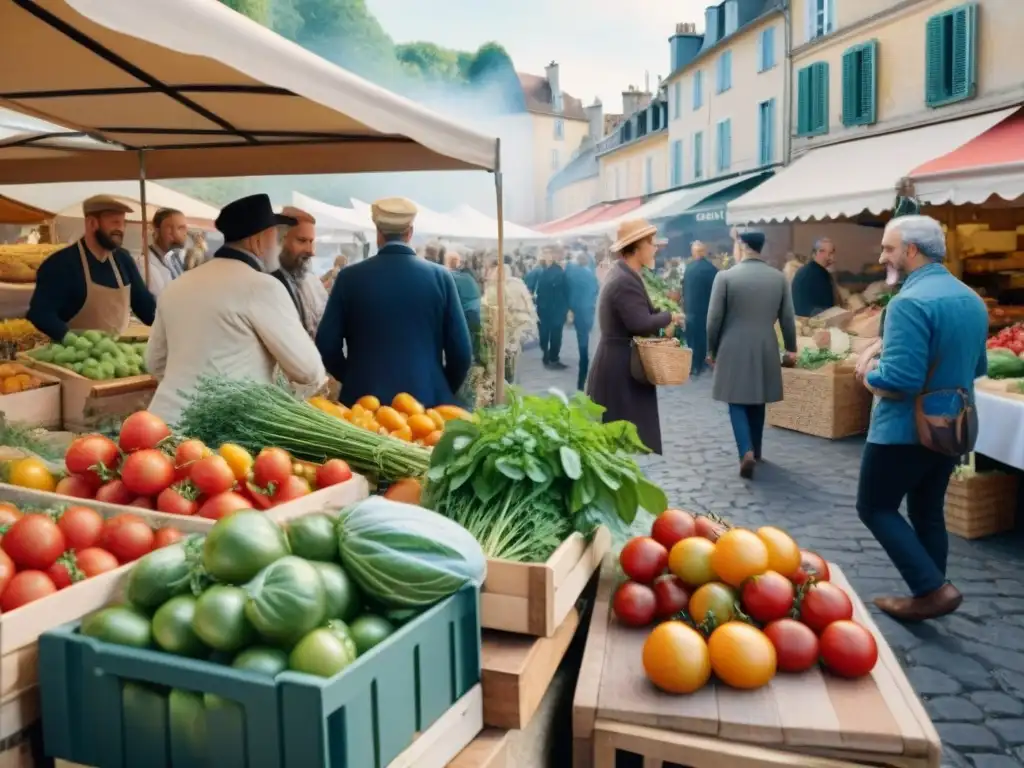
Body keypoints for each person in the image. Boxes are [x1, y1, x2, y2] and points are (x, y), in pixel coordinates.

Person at [855, 215, 987, 622]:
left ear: (912, 250)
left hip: (903, 429)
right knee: (927, 510)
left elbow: (900, 380)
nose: (883, 257)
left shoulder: (908, 303)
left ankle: (932, 589)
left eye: (888, 248)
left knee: (875, 507)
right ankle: (932, 590)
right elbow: (978, 367)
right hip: (954, 425)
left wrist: (865, 373)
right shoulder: (971, 298)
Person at [146, 194, 326, 423]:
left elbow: (154, 363)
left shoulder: (177, 285)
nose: (278, 245)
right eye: (276, 238)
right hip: (223, 435)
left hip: (162, 426)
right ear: (258, 241)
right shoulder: (261, 287)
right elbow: (308, 371)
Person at [316, 197, 472, 408]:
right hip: (427, 404)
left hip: (364, 406)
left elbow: (326, 344)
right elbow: (461, 354)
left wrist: (354, 378)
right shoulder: (441, 277)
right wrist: (440, 386)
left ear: (378, 233)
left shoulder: (349, 278)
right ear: (410, 232)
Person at [586, 220, 682, 454]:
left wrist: (658, 315)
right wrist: (669, 316)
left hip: (619, 361)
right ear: (636, 247)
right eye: (650, 243)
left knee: (621, 440)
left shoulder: (625, 274)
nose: (655, 247)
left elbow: (637, 315)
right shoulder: (624, 280)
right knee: (620, 440)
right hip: (619, 368)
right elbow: (639, 323)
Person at [707, 231, 797, 479]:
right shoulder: (779, 278)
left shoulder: (725, 277)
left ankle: (745, 451)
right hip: (766, 344)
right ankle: (756, 450)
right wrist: (791, 347)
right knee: (758, 398)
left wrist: (711, 349)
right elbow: (788, 318)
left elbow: (713, 319)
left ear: (742, 246)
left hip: (732, 344)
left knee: (736, 401)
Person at [28, 195, 156, 342]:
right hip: (75, 357)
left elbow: (145, 308)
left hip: (116, 352)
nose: (120, 229)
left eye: (123, 223)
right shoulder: (60, 264)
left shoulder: (123, 259)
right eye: (115, 222)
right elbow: (40, 313)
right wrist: (72, 340)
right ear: (91, 223)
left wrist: (170, 323)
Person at [271, 206, 327, 337]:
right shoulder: (264, 284)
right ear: (280, 240)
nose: (311, 251)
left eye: (311, 242)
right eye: (302, 241)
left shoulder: (313, 282)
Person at [483, 255, 537, 384]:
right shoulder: (519, 284)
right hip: (517, 331)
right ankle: (509, 383)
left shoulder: (494, 289)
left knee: (501, 363)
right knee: (511, 361)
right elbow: (529, 307)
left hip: (504, 331)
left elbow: (487, 312)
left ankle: (505, 385)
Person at [683, 241, 718, 377]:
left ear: (693, 252)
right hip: (706, 309)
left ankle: (694, 365)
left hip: (691, 309)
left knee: (692, 338)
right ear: (704, 252)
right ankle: (703, 362)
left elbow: (684, 290)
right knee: (704, 336)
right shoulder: (712, 269)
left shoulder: (688, 269)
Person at [565, 252, 599, 390]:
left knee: (582, 337)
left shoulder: (572, 273)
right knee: (591, 334)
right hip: (589, 307)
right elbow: (596, 290)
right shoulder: (591, 275)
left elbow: (568, 290)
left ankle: (583, 359)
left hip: (577, 308)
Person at [536, 248, 569, 370]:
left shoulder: (545, 271)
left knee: (545, 333)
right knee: (555, 334)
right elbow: (566, 291)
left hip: (545, 308)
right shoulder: (558, 271)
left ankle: (546, 355)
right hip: (555, 309)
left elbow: (540, 290)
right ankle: (553, 358)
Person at [445, 251, 482, 355]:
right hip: (478, 312)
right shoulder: (468, 276)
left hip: (464, 314)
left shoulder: (448, 277)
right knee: (474, 342)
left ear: (447, 262)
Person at [791, 238, 838, 317]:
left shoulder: (810, 270)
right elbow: (825, 303)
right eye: (831, 253)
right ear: (820, 252)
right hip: (811, 319)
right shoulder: (816, 273)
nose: (832, 257)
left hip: (807, 316)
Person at [146, 208, 187, 298]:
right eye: (170, 228)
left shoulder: (183, 260)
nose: (176, 235)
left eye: (181, 228)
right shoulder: (145, 265)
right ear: (156, 230)